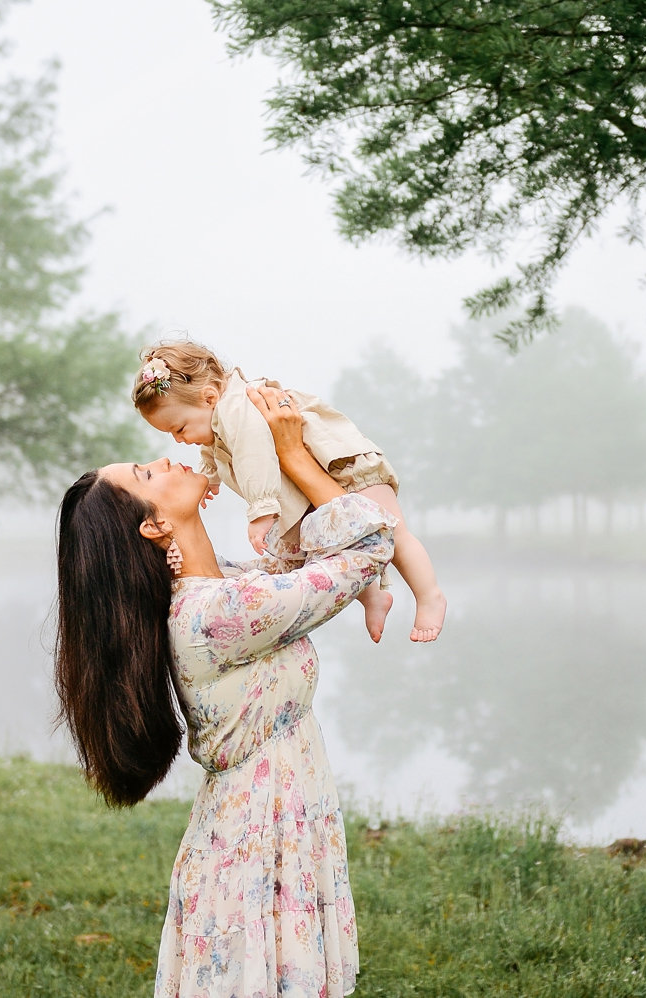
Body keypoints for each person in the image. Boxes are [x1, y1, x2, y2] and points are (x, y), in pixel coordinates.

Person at [54, 385, 394, 998]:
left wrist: (261, 458)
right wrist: (293, 458)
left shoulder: (227, 589)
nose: (162, 457)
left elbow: (297, 555)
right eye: (145, 471)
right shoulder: (218, 615)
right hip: (258, 835)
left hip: (269, 822)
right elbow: (368, 544)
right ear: (155, 524)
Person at [131, 339, 446, 643]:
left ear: (210, 397)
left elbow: (254, 454)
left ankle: (429, 596)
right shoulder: (217, 421)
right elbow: (212, 452)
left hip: (343, 464)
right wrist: (209, 479)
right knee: (336, 545)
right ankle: (373, 597)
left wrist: (261, 509)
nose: (178, 440)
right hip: (319, 474)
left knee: (394, 533)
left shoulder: (237, 410)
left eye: (180, 428)